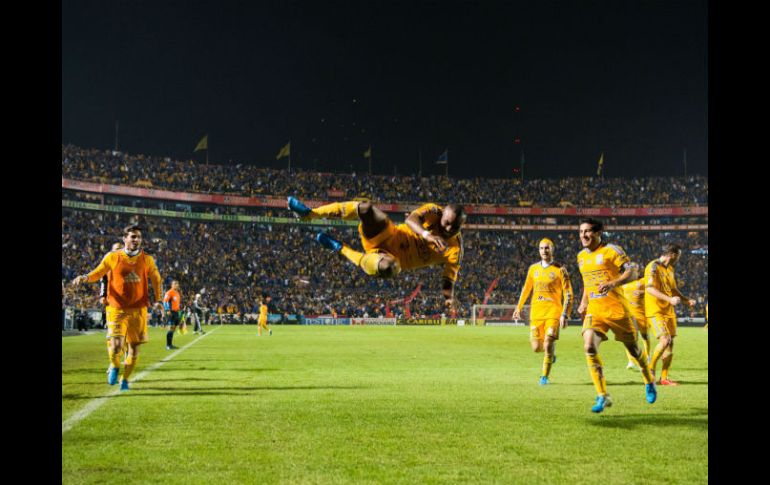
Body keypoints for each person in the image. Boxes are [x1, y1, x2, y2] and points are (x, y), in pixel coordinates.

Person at [288, 196, 466, 307]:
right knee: (365, 208)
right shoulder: (433, 210)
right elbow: (412, 219)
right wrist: (427, 235)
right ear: (442, 214)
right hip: (388, 234)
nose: (449, 228)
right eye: (446, 222)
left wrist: (449, 299)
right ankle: (309, 214)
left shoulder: (455, 249)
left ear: (462, 225)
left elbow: (448, 280)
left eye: (455, 226)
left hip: (389, 258)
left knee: (390, 267)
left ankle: (339, 247)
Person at [575, 218, 656, 413]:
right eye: (580, 232)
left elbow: (633, 272)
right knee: (589, 347)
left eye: (587, 231)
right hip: (596, 311)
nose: (583, 235)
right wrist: (584, 301)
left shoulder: (612, 250)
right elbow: (587, 282)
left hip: (618, 310)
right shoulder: (580, 257)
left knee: (635, 352)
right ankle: (603, 395)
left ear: (597, 233)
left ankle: (648, 380)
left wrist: (613, 283)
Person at [72, 224, 162, 391]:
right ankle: (114, 365)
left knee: (134, 350)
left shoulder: (147, 259)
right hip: (116, 309)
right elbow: (98, 273)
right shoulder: (112, 257)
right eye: (133, 237)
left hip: (138, 310)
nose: (136, 240)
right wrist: (84, 277)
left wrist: (158, 300)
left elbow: (156, 279)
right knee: (116, 345)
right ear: (125, 239)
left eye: (139, 237)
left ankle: (125, 379)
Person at [512, 238, 573, 385]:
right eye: (541, 248)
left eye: (547, 248)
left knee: (547, 344)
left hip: (553, 312)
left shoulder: (560, 270)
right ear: (538, 250)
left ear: (552, 249)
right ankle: (551, 354)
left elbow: (568, 293)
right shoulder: (533, 269)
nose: (544, 251)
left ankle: (544, 377)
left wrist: (565, 314)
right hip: (536, 313)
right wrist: (518, 307)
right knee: (536, 348)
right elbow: (526, 289)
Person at [644, 243, 696, 386]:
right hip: (655, 311)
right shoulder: (653, 266)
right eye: (678, 255)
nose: (678, 259)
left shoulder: (670, 269)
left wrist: (686, 300)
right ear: (672, 254)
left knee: (670, 344)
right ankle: (649, 370)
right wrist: (669, 300)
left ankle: (664, 378)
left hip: (668, 311)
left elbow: (673, 289)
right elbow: (649, 289)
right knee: (665, 340)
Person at [620, 264, 652, 371]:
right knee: (629, 339)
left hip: (641, 314)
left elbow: (653, 290)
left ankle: (647, 356)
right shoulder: (622, 284)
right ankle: (631, 361)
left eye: (635, 270)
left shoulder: (642, 281)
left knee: (645, 336)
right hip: (629, 315)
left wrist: (644, 292)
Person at [163, 280, 183, 350]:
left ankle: (170, 344)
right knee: (171, 328)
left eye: (177, 284)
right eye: (175, 284)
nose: (176, 285)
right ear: (172, 285)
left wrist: (179, 310)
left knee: (174, 328)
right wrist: (167, 310)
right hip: (170, 312)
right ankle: (168, 345)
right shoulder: (169, 292)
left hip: (176, 312)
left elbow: (176, 303)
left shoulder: (177, 293)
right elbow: (165, 301)